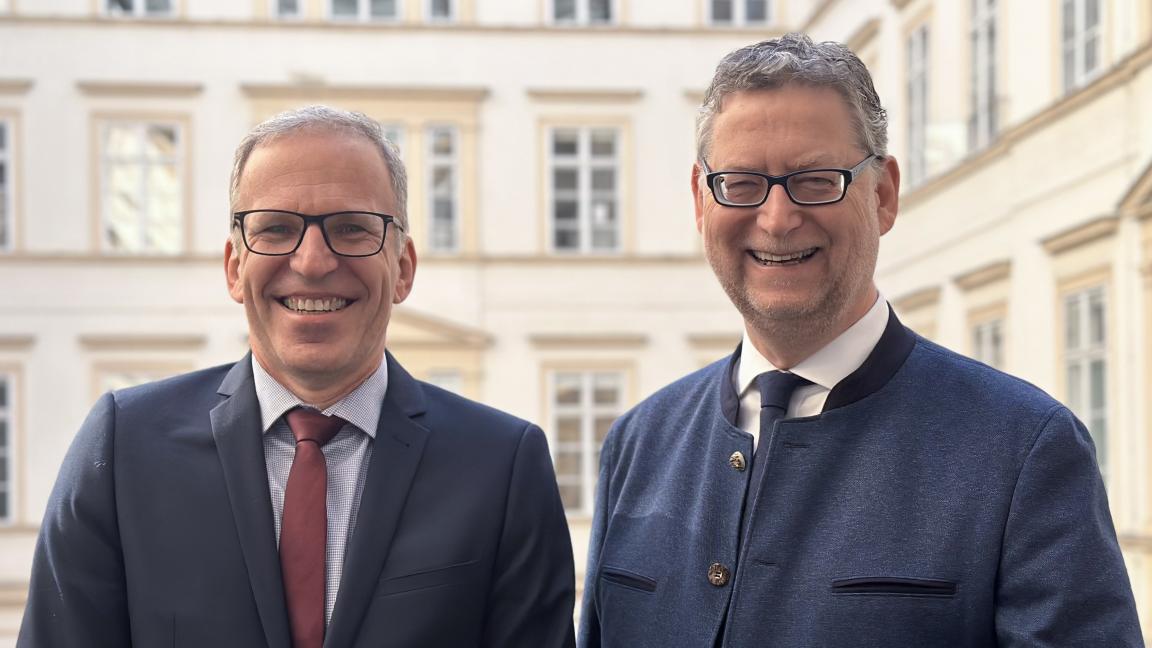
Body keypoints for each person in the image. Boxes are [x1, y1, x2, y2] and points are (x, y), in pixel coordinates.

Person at [579, 34, 1142, 647]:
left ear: (883, 195)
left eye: (816, 180)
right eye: (740, 184)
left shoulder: (1022, 450)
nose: (776, 218)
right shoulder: (639, 442)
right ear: (700, 200)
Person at [20, 105, 576, 648]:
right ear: (235, 267)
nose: (312, 261)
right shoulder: (124, 450)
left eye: (353, 228)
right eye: (277, 228)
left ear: (402, 268)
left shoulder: (501, 466)